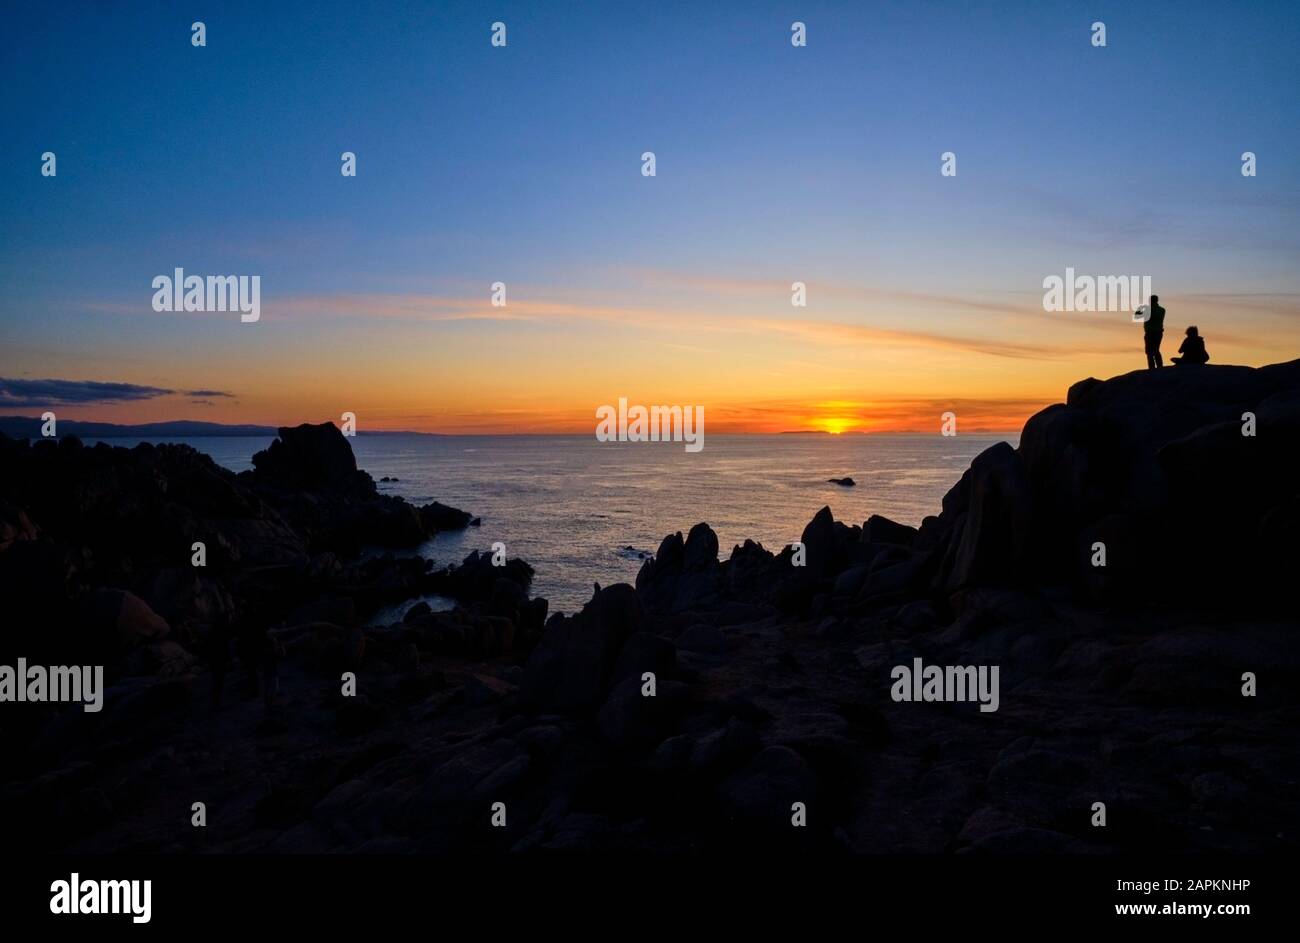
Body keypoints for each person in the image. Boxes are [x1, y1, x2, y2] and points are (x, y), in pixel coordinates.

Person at [1138, 294, 1166, 369]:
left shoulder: (1147, 309)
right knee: (1156, 349)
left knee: (1149, 351)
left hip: (1150, 333)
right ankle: (1160, 366)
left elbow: (1137, 315)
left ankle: (1152, 367)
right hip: (1159, 332)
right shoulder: (1162, 310)